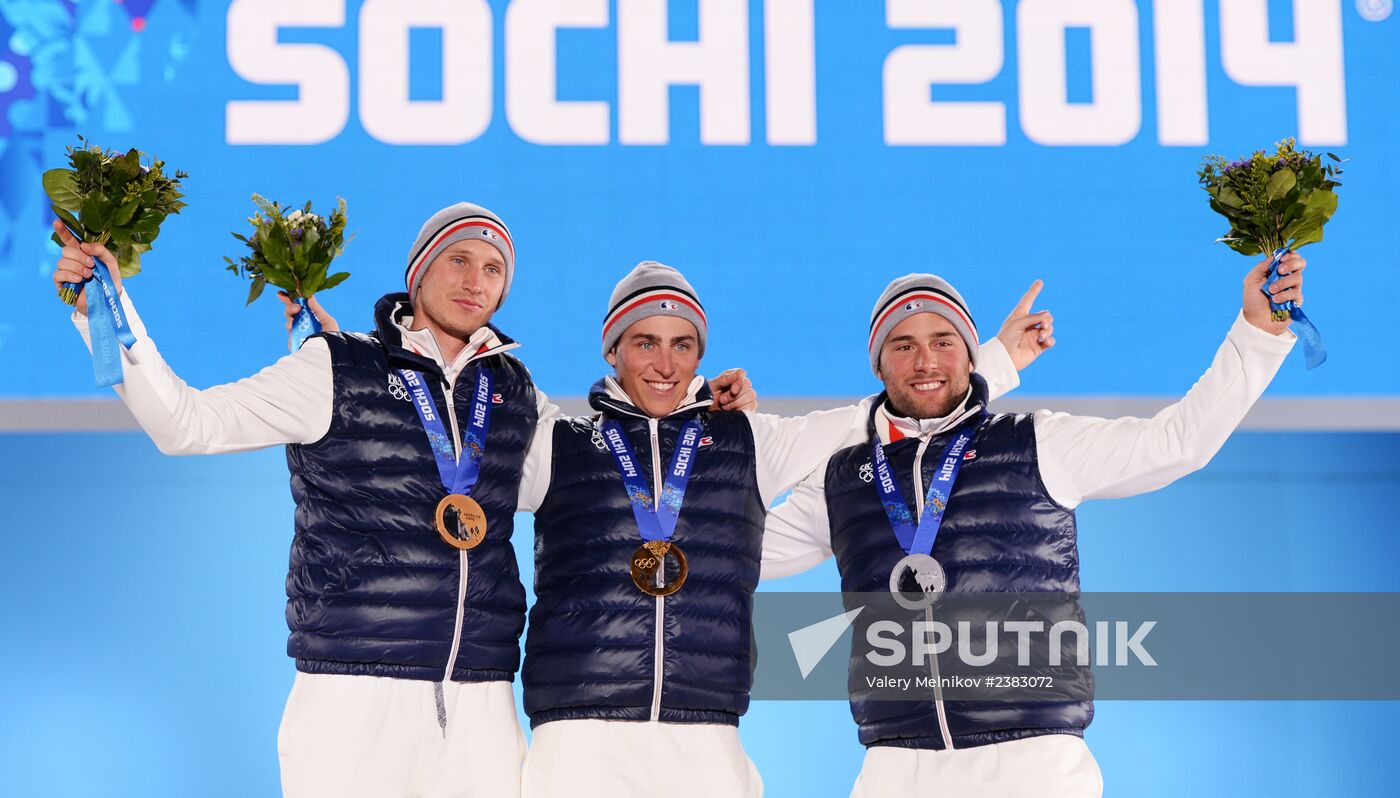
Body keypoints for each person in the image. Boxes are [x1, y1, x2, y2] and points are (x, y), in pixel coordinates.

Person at [51, 204, 753, 798]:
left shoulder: (514, 392)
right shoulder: (336, 367)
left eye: (493, 269)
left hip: (481, 702)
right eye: (459, 261)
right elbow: (186, 425)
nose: (475, 282)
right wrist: (103, 316)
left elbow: (610, 472)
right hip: (353, 692)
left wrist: (702, 408)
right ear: (418, 273)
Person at [759, 255, 1306, 797]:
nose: (925, 360)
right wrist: (703, 428)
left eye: (944, 342)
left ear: (971, 356)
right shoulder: (844, 479)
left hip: (1032, 764)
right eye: (903, 346)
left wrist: (1258, 333)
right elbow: (733, 552)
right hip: (897, 768)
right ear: (879, 366)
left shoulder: (1036, 443)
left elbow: (1177, 443)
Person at [511, 262, 1055, 798]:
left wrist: (999, 361)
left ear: (700, 355)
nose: (664, 363)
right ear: (612, 350)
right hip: (578, 736)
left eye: (682, 344)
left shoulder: (747, 441)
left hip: (705, 735)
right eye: (644, 342)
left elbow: (886, 414)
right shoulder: (560, 445)